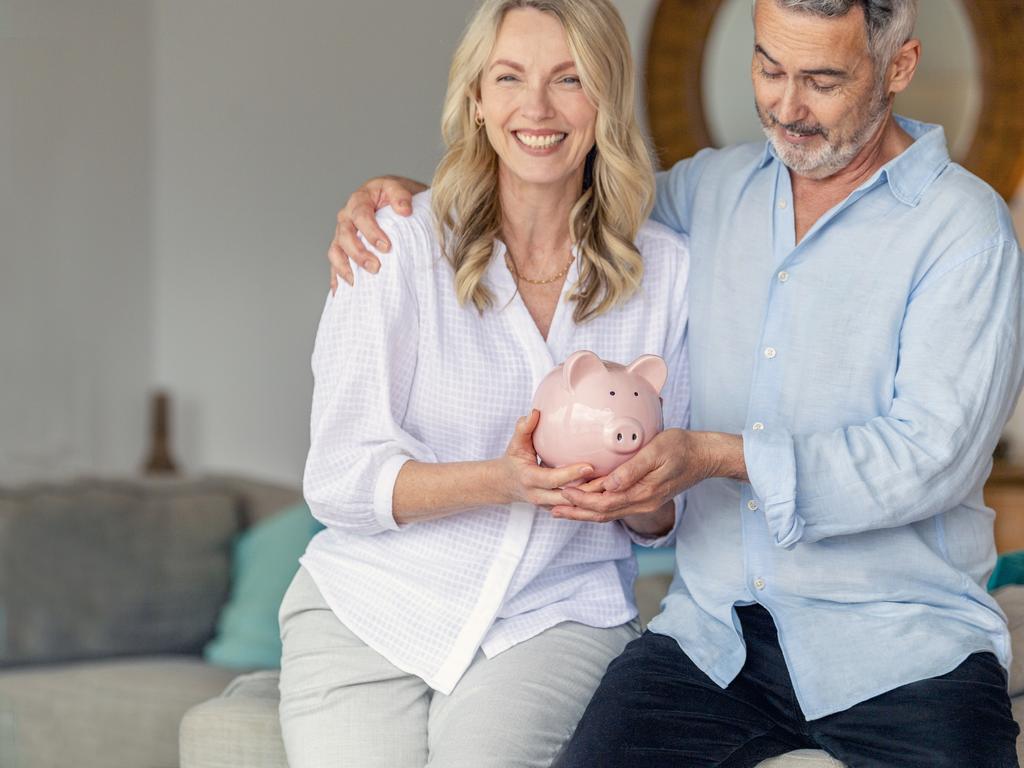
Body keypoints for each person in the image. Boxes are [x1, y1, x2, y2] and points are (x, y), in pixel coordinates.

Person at [326, 0, 1024, 765]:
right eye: (768, 68)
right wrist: (413, 204)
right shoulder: (709, 191)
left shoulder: (964, 229)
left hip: (903, 649)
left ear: (899, 68)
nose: (786, 107)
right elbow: (559, 188)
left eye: (822, 79)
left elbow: (932, 457)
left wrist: (719, 455)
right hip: (712, 642)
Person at [280, 1, 691, 767]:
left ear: (606, 96)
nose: (536, 108)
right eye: (509, 77)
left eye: (570, 79)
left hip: (554, 615)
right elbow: (338, 482)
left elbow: (668, 514)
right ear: (476, 99)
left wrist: (642, 494)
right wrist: (502, 482)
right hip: (373, 612)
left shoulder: (666, 272)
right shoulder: (392, 246)